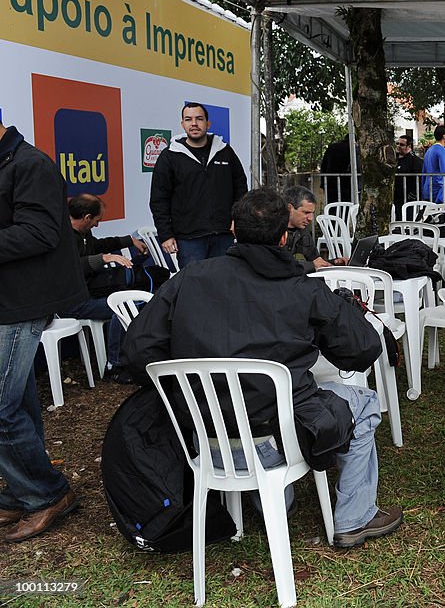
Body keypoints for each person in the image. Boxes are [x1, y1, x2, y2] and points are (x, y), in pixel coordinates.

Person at [122, 189, 403, 548]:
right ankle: (354, 516)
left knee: (275, 421)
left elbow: (135, 351)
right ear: (284, 236)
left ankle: (270, 494)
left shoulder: (189, 279)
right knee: (363, 401)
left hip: (201, 432)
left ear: (233, 229)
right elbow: (363, 350)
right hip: (278, 435)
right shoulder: (304, 289)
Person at [0, 118, 88, 543]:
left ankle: (46, 493)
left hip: (22, 303)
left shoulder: (32, 164)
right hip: (8, 300)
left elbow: (38, 233)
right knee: (17, 401)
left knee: (1, 407)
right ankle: (21, 491)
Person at [63, 194, 150, 383]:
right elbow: (66, 268)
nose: (97, 225)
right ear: (86, 217)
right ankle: (114, 366)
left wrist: (129, 240)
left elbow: (98, 245)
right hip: (71, 302)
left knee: (131, 301)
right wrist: (103, 258)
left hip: (89, 292)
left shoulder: (84, 234)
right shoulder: (61, 236)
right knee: (124, 308)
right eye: (96, 220)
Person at [150, 102, 248, 268]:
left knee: (222, 285)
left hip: (223, 235)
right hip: (189, 240)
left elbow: (241, 189)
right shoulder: (170, 156)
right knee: (194, 288)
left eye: (199, 119)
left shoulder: (225, 151)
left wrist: (237, 220)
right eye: (188, 119)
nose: (194, 123)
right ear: (183, 124)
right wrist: (166, 234)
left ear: (208, 123)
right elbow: (159, 199)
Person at [282, 185, 346, 273]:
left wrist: (334, 263)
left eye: (312, 213)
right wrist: (312, 265)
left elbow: (315, 260)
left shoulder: (303, 231)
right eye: (306, 212)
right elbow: (276, 266)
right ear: (290, 208)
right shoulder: (271, 231)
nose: (310, 218)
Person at [421, 125, 445, 204]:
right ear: (444, 136)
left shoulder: (429, 150)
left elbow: (423, 171)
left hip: (427, 189)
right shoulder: (442, 151)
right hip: (438, 190)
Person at [320, 136, 361, 205]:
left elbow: (324, 166)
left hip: (330, 184)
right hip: (348, 185)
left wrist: (323, 184)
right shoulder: (354, 149)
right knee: (348, 209)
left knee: (332, 208)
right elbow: (357, 166)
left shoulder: (332, 147)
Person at [393, 134, 423, 219]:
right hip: (397, 197)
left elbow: (420, 179)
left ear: (409, 146)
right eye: (397, 143)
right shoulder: (395, 159)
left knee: (409, 221)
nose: (398, 146)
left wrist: (413, 194)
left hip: (409, 199)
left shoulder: (415, 161)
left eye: (402, 145)